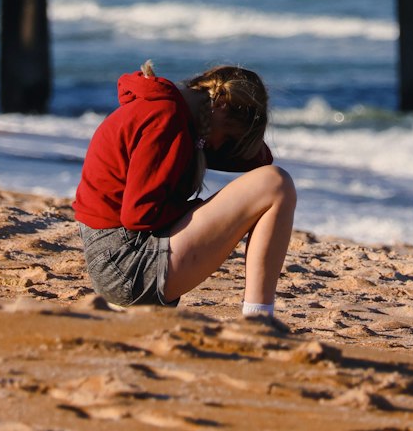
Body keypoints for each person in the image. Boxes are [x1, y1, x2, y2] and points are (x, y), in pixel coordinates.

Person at [73, 61, 296, 323]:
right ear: (221, 107)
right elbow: (139, 216)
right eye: (227, 137)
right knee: (276, 183)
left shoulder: (174, 115)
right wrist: (193, 208)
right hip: (126, 267)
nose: (219, 146)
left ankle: (259, 317)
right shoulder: (165, 117)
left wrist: (231, 134)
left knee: (271, 180)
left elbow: (256, 160)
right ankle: (259, 320)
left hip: (115, 262)